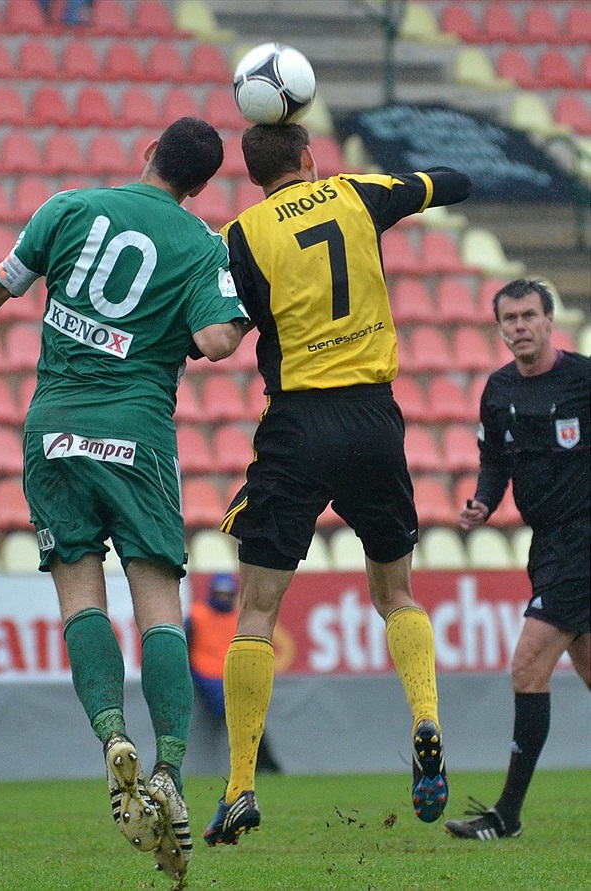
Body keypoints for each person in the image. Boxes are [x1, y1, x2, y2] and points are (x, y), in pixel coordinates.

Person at [0, 117, 249, 883]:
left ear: (149, 151)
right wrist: (239, 305)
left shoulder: (69, 208)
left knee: (79, 595)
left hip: (53, 430)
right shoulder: (199, 245)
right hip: (138, 438)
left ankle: (111, 731)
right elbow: (218, 343)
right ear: (200, 186)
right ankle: (170, 770)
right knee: (157, 606)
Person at [202, 123, 472, 847]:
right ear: (309, 159)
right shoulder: (354, 194)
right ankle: (426, 719)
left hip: (299, 422)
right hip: (375, 417)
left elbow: (224, 328)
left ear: (255, 175)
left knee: (257, 609)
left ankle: (239, 789)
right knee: (396, 594)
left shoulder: (240, 234)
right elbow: (452, 183)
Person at [444, 278, 590, 841]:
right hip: (547, 544)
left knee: (528, 665)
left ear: (551, 320)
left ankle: (507, 813)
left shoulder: (583, 380)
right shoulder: (499, 389)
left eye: (530, 315)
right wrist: (484, 501)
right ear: (500, 327)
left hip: (583, 540)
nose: (521, 326)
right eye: (510, 319)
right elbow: (495, 459)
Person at [185, 572, 281, 772]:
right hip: (208, 675)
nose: (223, 598)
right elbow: (187, 647)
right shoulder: (197, 615)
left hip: (234, 673)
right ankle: (259, 762)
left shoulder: (239, 615)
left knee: (250, 714)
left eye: (227, 594)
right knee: (237, 713)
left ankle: (261, 761)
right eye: (219, 593)